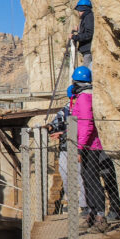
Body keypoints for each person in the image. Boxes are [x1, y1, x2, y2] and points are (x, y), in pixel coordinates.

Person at [71, 66, 120, 231]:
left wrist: (80, 147)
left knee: (92, 180)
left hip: (90, 146)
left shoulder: (84, 98)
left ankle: (100, 216)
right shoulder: (86, 96)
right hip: (88, 144)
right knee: (87, 179)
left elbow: (86, 124)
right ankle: (92, 213)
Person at [48, 84, 86, 216]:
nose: (74, 101)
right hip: (66, 148)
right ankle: (73, 203)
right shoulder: (67, 109)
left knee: (81, 176)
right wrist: (50, 127)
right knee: (66, 175)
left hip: (79, 148)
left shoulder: (84, 107)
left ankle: (84, 206)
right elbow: (57, 121)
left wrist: (62, 134)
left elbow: (80, 128)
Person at [70, 0, 94, 68]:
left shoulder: (88, 17)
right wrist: (79, 30)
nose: (79, 12)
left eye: (80, 10)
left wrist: (74, 37)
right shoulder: (86, 17)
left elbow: (89, 34)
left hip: (88, 51)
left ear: (84, 10)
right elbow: (86, 30)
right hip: (86, 50)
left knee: (86, 71)